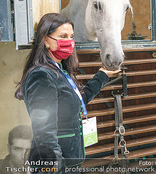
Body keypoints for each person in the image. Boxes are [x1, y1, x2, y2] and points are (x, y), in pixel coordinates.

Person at [14, 13, 119, 172]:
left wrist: (102, 76)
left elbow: (77, 101)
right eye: (63, 36)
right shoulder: (41, 76)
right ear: (46, 40)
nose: (69, 42)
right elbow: (45, 135)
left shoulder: (58, 70)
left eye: (71, 36)